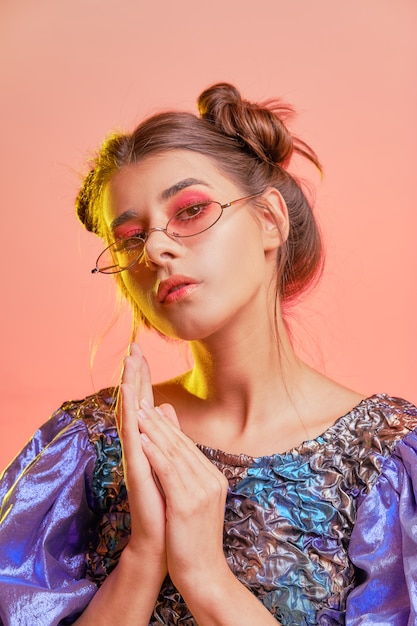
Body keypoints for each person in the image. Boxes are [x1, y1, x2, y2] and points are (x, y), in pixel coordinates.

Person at [0, 82, 416, 626]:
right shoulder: (87, 444)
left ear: (269, 219)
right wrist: (144, 553)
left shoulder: (386, 460)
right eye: (129, 238)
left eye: (191, 210)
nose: (155, 248)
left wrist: (203, 573)